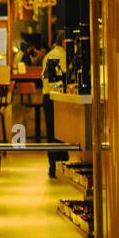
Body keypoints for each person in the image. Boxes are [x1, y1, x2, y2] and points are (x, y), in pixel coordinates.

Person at [42, 31, 69, 178]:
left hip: (47, 96)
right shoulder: (62, 56)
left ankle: (53, 166)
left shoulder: (49, 55)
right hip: (57, 98)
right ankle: (58, 166)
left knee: (52, 133)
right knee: (60, 134)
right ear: (64, 41)